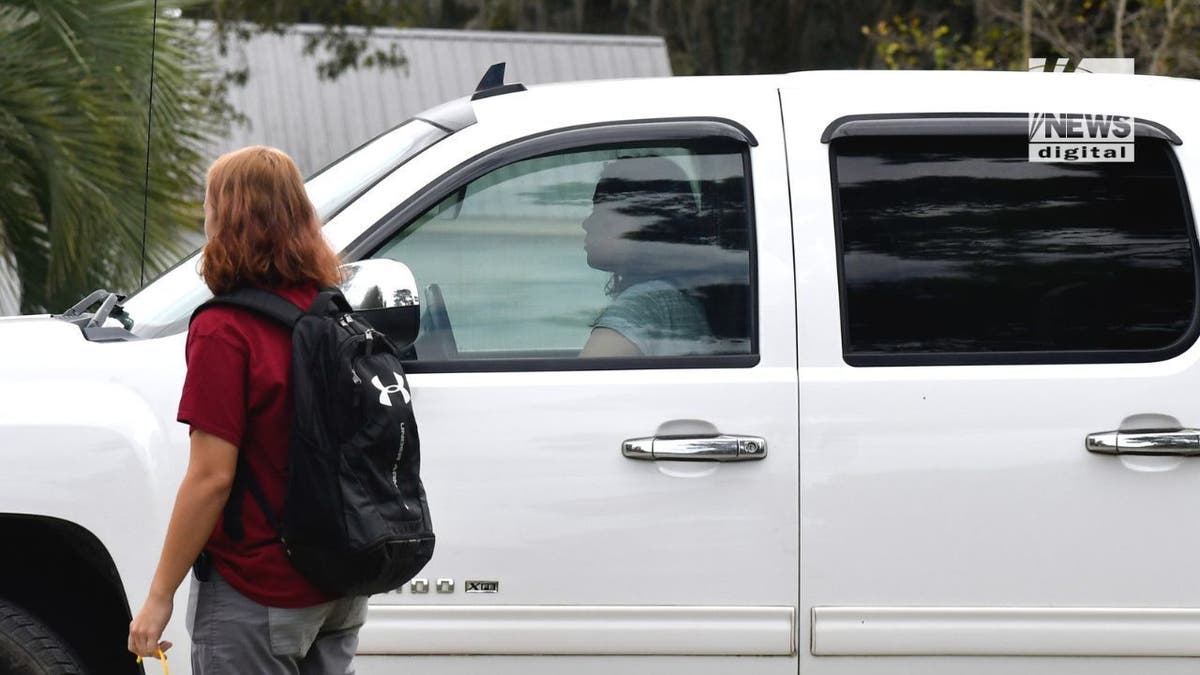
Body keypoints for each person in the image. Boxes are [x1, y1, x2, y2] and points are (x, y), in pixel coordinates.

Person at [128, 146, 368, 674]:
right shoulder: (330, 310)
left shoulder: (225, 329)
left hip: (260, 588)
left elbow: (212, 478)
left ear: (230, 218)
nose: (204, 219)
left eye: (210, 206)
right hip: (339, 585)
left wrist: (159, 595)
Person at [580, 155, 715, 357]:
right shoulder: (677, 298)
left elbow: (581, 387)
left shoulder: (640, 311)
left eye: (599, 209)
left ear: (644, 221)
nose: (586, 223)